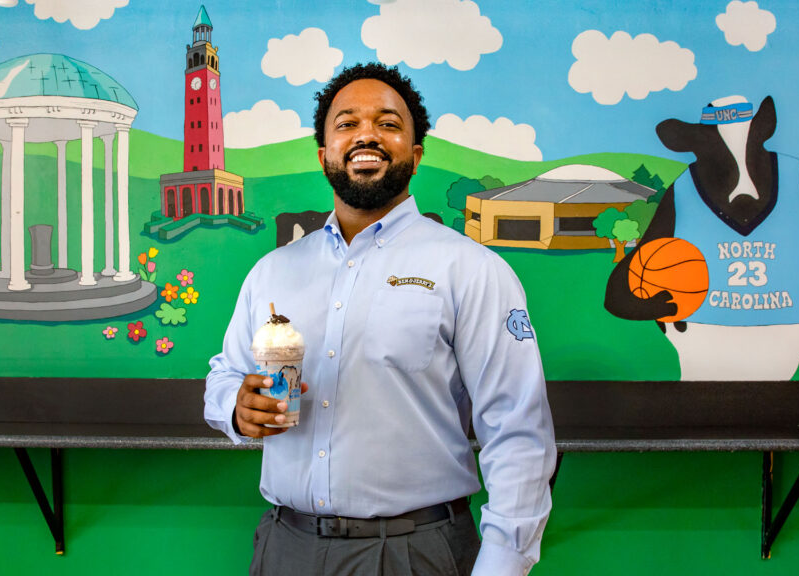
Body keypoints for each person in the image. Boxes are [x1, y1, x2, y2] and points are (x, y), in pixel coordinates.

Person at [205, 62, 556, 576]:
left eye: (388, 123)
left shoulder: (471, 269)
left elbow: (517, 431)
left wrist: (503, 564)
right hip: (286, 547)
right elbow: (225, 375)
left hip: (415, 552)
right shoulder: (273, 272)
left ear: (414, 157)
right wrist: (237, 409)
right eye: (346, 123)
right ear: (324, 153)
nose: (366, 133)